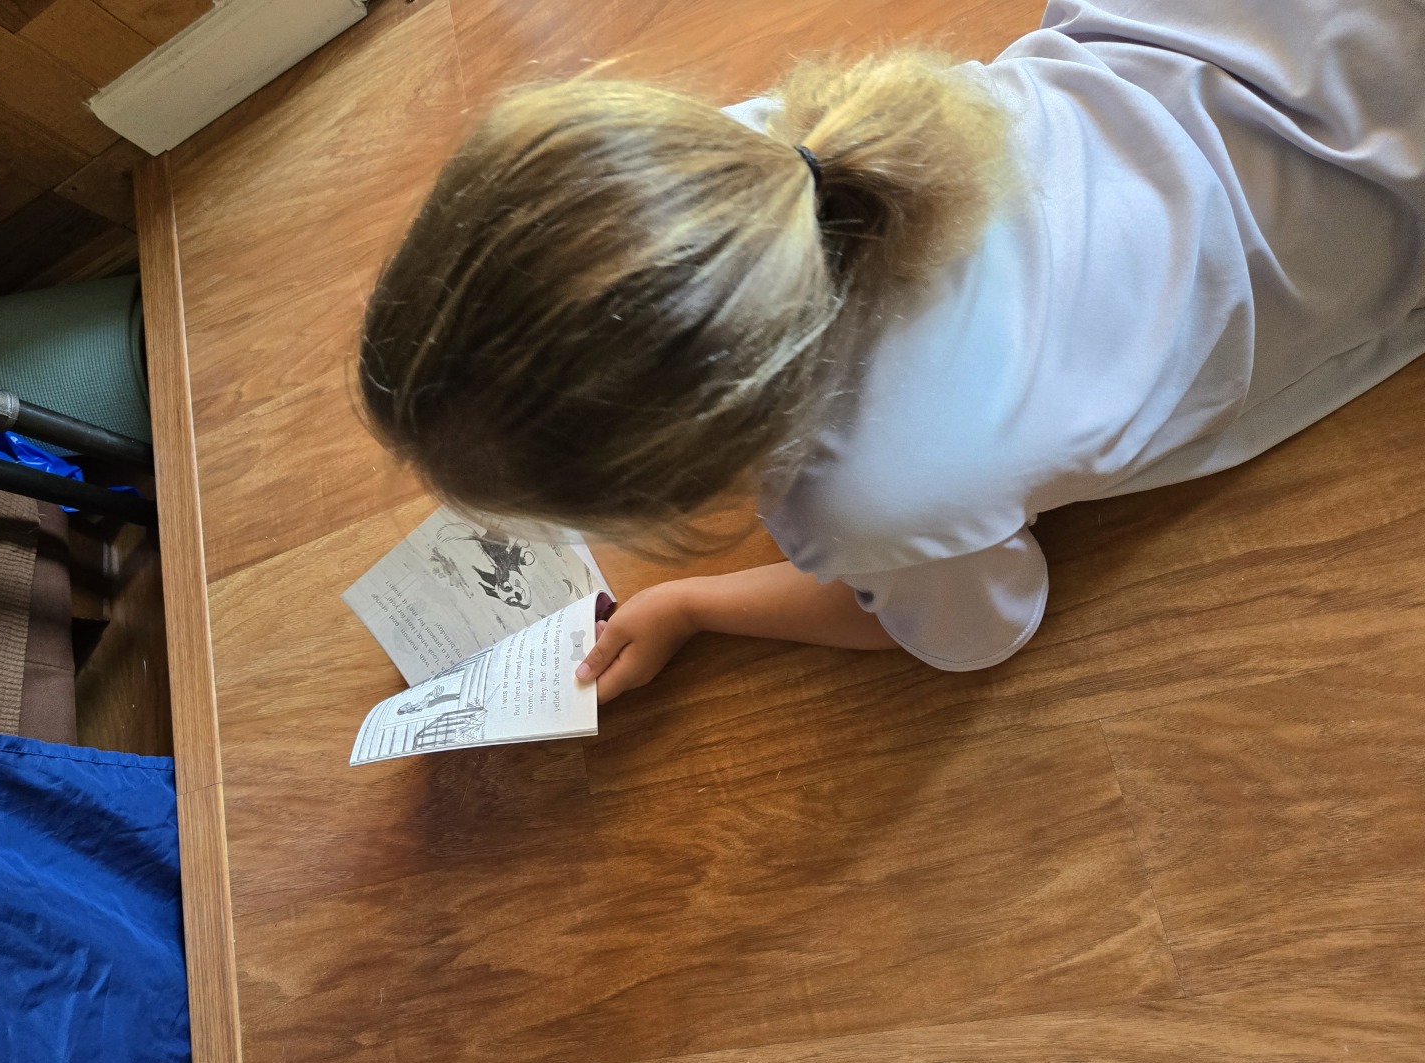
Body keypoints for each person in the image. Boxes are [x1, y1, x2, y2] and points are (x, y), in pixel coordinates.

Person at [358, 0, 1425, 703]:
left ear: (707, 466)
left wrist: (688, 604)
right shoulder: (758, 155)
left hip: (1363, 191)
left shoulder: (872, 502)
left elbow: (975, 634)